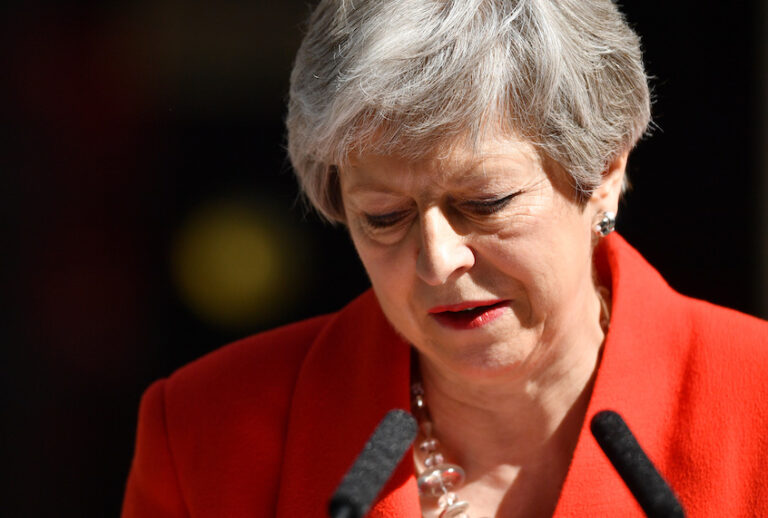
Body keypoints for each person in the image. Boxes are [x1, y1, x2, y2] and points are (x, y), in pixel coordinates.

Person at [122, 1, 768, 517]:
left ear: (603, 172)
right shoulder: (207, 430)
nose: (437, 261)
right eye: (384, 217)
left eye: (485, 203)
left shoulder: (754, 399)